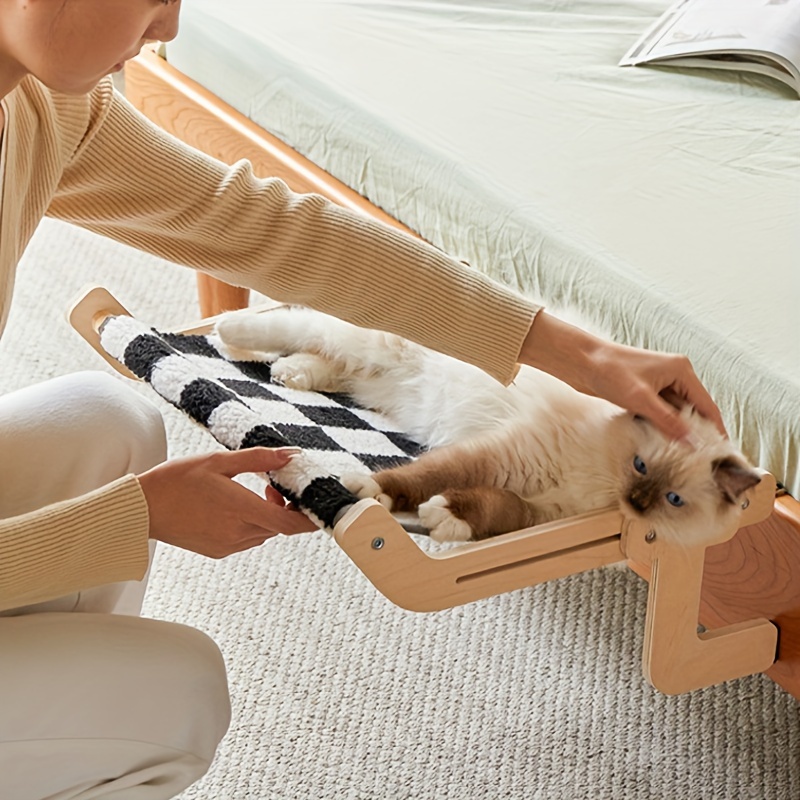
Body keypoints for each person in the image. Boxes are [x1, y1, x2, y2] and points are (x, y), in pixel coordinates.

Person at [0, 1, 726, 798]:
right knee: (173, 695)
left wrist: (575, 351)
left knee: (108, 424)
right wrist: (133, 519)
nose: (169, 27)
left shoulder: (41, 106)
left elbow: (269, 228)